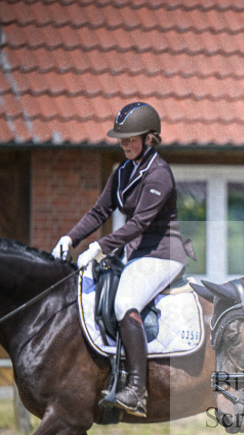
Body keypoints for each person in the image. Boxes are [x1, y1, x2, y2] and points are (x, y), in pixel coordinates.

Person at [51, 102, 192, 416]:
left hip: (162, 254)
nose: (124, 144)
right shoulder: (124, 171)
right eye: (121, 139)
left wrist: (99, 247)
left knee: (123, 302)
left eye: (130, 138)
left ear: (149, 137)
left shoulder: (159, 174)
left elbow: (139, 224)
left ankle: (137, 390)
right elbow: (99, 211)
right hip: (137, 254)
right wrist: (70, 238)